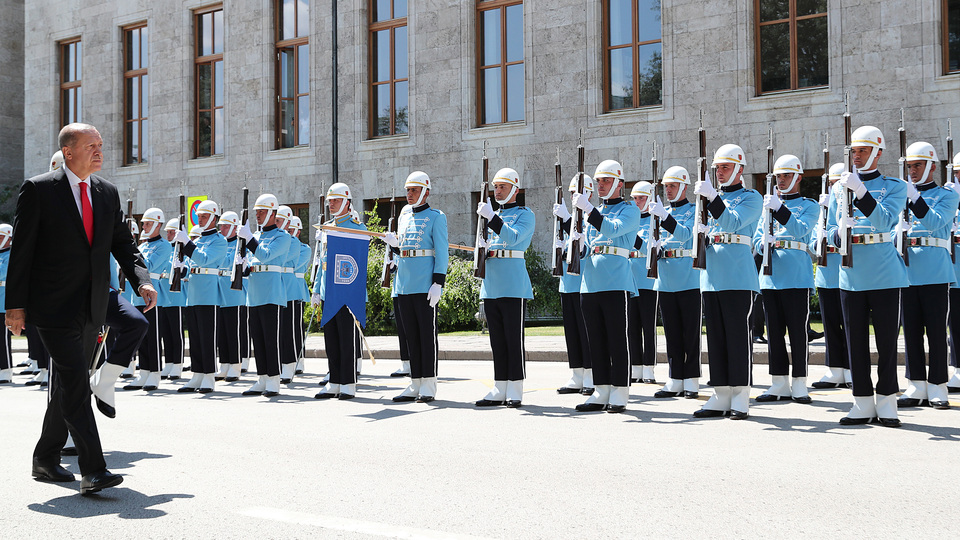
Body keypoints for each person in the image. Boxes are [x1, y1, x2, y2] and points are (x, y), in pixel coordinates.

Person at [5, 123, 157, 495]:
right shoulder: (39, 189)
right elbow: (21, 251)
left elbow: (122, 242)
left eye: (100, 144)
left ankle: (45, 458)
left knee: (68, 384)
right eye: (91, 145)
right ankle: (93, 470)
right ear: (68, 152)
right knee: (74, 382)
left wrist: (141, 279)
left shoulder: (106, 192)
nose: (99, 151)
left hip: (93, 304)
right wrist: (15, 307)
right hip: (53, 306)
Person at [825, 125, 909, 427]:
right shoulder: (838, 189)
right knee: (855, 342)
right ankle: (861, 401)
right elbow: (826, 231)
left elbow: (884, 220)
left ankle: (887, 401)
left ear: (878, 153)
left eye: (863, 150)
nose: (857, 156)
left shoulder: (896, 186)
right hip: (851, 273)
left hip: (884, 272)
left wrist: (860, 191)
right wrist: (838, 233)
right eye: (854, 151)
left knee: (886, 343)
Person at [692, 144, 762, 420]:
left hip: (738, 276)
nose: (720, 172)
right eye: (717, 168)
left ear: (739, 169)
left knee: (737, 337)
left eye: (725, 167)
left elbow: (732, 223)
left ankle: (741, 394)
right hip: (711, 276)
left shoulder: (751, 197)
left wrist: (711, 197)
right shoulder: (708, 199)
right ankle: (721, 393)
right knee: (717, 339)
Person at [572, 159, 641, 413]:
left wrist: (589, 210)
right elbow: (590, 248)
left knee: (617, 339)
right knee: (596, 340)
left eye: (606, 181)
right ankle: (601, 390)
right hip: (590, 283)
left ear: (619, 184)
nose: (600, 185)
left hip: (615, 281)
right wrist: (578, 244)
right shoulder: (593, 212)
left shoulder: (629, 210)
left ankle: (620, 391)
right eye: (599, 181)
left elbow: (612, 230)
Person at [752, 155, 818, 404]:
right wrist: (763, 243)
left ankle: (799, 383)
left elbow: (801, 230)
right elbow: (756, 238)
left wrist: (779, 209)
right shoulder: (767, 206)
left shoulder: (809, 206)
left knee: (798, 333)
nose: (781, 180)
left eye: (786, 175)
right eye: (779, 176)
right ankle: (779, 383)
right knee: (774, 334)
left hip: (796, 276)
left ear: (798, 177)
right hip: (771, 277)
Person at [896, 142, 958, 409]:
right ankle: (916, 384)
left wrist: (913, 198)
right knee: (910, 331)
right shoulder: (901, 196)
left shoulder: (947, 195)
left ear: (932, 166)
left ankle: (938, 386)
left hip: (935, 271)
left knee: (936, 331)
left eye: (918, 165)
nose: (912, 171)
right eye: (910, 166)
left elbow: (935, 223)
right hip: (906, 270)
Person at [383, 171, 449, 403]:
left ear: (426, 192)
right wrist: (395, 246)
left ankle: (428, 384)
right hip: (404, 284)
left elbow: (442, 252)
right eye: (408, 190)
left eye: (414, 190)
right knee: (411, 336)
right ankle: (415, 383)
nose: (410, 194)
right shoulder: (404, 217)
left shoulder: (436, 217)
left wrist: (438, 282)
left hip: (425, 285)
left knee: (426, 337)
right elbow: (405, 250)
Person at [474, 168, 535, 408]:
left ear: (515, 190)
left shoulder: (525, 214)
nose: (498, 191)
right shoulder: (490, 215)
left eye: (503, 187)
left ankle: (515, 388)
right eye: (496, 187)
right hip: (491, 283)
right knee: (497, 341)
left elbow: (513, 238)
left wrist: (491, 218)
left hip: (512, 284)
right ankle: (500, 387)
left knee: (513, 339)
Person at [648, 166, 702, 399]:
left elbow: (686, 235)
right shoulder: (659, 212)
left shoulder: (694, 210)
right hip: (666, 277)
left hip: (688, 277)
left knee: (691, 332)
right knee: (672, 333)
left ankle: (691, 379)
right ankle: (675, 378)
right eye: (666, 186)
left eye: (672, 186)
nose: (668, 190)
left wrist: (664, 217)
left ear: (684, 187)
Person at [314, 183, 367, 400]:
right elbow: (322, 262)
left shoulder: (357, 228)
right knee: (332, 341)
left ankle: (348, 383)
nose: (332, 204)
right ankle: (334, 381)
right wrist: (316, 290)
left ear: (347, 202)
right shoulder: (327, 227)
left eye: (336, 200)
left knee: (347, 340)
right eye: (330, 201)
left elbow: (357, 261)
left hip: (346, 292)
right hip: (328, 291)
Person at [237, 193, 292, 398]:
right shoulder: (256, 236)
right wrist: (243, 266)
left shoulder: (282, 236)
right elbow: (253, 263)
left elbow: (265, 255)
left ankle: (274, 380)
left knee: (271, 339)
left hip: (271, 293)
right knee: (258, 339)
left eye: (261, 211)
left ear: (272, 213)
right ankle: (262, 378)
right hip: (254, 293)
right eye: (257, 212)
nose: (258, 215)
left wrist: (249, 238)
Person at [173, 200, 227, 393]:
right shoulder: (197, 241)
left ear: (214, 218)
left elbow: (204, 260)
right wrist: (182, 269)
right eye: (199, 216)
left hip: (209, 294)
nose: (201, 220)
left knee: (207, 337)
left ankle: (209, 376)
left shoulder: (220, 241)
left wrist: (187, 243)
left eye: (204, 216)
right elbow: (192, 266)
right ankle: (197, 374)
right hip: (193, 293)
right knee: (195, 337)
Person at [811, 164, 853, 389]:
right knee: (831, 325)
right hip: (827, 274)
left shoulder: (851, 208)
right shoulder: (823, 211)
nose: (833, 188)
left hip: (847, 272)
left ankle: (851, 369)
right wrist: (820, 240)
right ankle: (834, 369)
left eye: (837, 183)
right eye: (830, 184)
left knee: (850, 326)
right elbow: (811, 241)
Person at [123, 208, 172, 391]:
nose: (144, 226)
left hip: (153, 295)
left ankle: (155, 373)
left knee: (153, 336)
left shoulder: (164, 246)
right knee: (142, 336)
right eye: (143, 223)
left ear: (158, 225)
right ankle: (144, 372)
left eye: (148, 223)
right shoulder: (142, 246)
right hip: (138, 295)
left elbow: (148, 267)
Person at [554, 174, 595, 395]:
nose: (573, 197)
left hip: (583, 282)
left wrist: (567, 220)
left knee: (586, 332)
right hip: (567, 282)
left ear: (589, 193)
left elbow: (585, 245)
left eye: (577, 192)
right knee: (572, 333)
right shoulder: (565, 218)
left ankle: (590, 375)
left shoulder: (590, 217)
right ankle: (577, 374)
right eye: (571, 193)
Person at [627, 181, 659, 384]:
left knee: (648, 325)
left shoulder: (655, 220)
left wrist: (635, 238)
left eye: (641, 198)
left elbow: (651, 249)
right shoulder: (630, 219)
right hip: (630, 277)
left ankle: (649, 367)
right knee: (631, 326)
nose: (637, 202)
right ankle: (636, 366)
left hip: (647, 279)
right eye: (635, 198)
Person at [215, 210, 246, 383]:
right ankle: (224, 364)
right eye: (221, 226)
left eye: (226, 226)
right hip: (220, 289)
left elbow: (229, 262)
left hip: (234, 292)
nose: (222, 229)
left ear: (235, 227)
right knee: (222, 332)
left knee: (234, 332)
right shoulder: (220, 243)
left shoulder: (241, 243)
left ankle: (235, 365)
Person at [159, 218, 187, 380]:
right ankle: (168, 362)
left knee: (176, 333)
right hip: (164, 296)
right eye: (168, 232)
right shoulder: (166, 249)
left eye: (172, 232)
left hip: (176, 297)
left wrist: (181, 267)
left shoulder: (184, 248)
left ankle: (178, 363)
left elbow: (186, 271)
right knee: (166, 333)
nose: (169, 235)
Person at [0, 225, 11, 384]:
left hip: (3, 305)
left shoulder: (9, 255)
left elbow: (3, 273)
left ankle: (6, 370)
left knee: (3, 340)